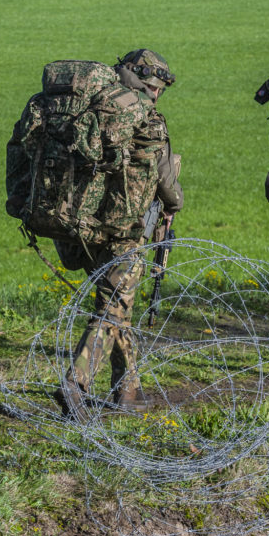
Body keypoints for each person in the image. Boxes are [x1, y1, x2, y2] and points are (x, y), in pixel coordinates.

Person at [54, 49, 183, 416]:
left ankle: (128, 390)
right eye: (155, 88)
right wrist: (174, 204)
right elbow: (166, 184)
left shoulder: (86, 105)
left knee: (117, 301)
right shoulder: (142, 114)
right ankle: (77, 381)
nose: (156, 95)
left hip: (79, 222)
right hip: (122, 226)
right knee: (113, 307)